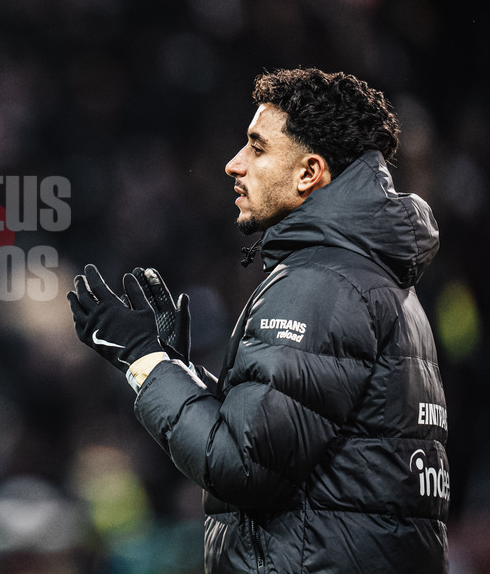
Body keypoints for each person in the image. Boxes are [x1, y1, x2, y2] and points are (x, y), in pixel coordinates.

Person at [68, 68, 449, 572]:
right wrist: (178, 371)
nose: (233, 164)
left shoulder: (319, 282)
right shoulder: (376, 277)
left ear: (308, 173)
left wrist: (145, 362)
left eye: (257, 147)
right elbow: (291, 434)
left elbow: (242, 464)